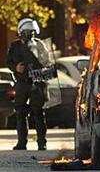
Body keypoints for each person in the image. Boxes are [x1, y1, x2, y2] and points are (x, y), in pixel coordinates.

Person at [7, 18, 51, 150]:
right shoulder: (14, 46)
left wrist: (41, 70)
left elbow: (47, 62)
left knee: (38, 113)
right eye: (27, 32)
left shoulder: (39, 45)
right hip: (21, 84)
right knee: (20, 113)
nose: (30, 35)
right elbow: (8, 62)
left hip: (37, 83)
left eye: (32, 32)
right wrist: (16, 68)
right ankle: (22, 143)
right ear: (20, 32)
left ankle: (41, 143)